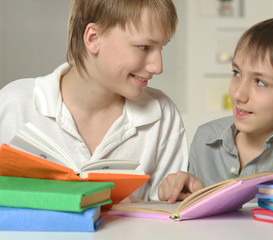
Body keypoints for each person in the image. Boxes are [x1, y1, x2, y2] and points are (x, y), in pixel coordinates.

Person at [0, 0, 188, 201]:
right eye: (143, 47)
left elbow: (167, 219)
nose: (157, 67)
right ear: (93, 38)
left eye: (162, 48)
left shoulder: (162, 115)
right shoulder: (13, 105)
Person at [158, 17, 273, 203]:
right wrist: (186, 193)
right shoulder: (207, 139)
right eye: (236, 73)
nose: (238, 94)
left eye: (260, 82)